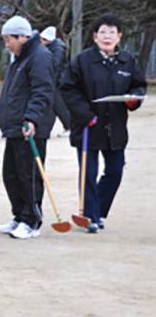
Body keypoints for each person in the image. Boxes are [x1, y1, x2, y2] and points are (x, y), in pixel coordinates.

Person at [60, 13, 147, 233]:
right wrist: (85, 115)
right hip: (88, 125)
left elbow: (138, 85)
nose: (107, 36)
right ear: (95, 36)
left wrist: (134, 99)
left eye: (112, 32)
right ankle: (90, 216)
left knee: (115, 171)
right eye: (102, 32)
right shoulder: (82, 60)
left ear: (119, 37)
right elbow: (67, 88)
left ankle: (97, 209)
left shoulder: (128, 61)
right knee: (88, 173)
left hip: (115, 127)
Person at [0, 15, 55, 239]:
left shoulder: (40, 57)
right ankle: (19, 215)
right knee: (11, 174)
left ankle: (31, 221)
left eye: (8, 39)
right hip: (14, 127)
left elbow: (42, 91)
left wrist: (31, 118)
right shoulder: (19, 59)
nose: (6, 44)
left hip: (30, 128)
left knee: (28, 175)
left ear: (22, 36)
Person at [40, 26, 71, 136]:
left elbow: (55, 67)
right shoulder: (55, 47)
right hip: (56, 81)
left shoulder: (57, 49)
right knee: (55, 105)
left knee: (58, 105)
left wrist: (50, 83)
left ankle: (69, 127)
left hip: (57, 81)